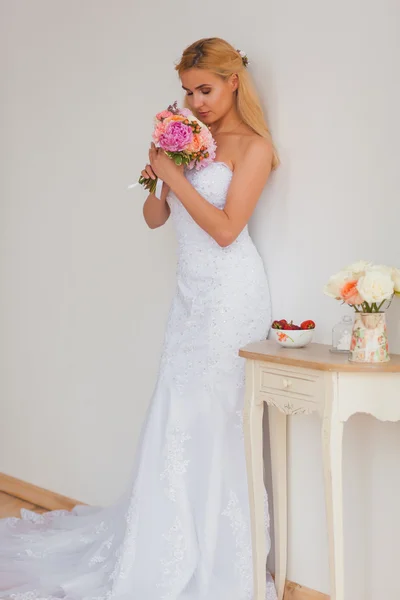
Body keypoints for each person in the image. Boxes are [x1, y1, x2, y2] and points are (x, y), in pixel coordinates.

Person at [0, 37, 279, 600]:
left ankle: (223, 561)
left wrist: (175, 176)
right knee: (177, 414)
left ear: (233, 83)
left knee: (221, 418)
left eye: (205, 89)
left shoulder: (255, 147)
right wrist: (160, 169)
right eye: (187, 91)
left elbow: (226, 231)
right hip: (189, 296)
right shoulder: (192, 144)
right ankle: (166, 543)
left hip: (231, 298)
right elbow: (155, 218)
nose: (195, 102)